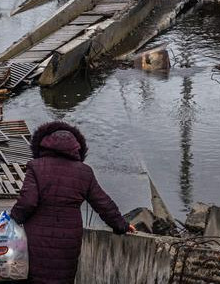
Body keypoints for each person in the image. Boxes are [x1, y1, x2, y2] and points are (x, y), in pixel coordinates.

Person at [10, 121, 134, 284]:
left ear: (43, 145)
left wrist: (12, 219)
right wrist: (122, 225)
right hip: (68, 240)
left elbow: (28, 202)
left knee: (34, 277)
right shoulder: (85, 172)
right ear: (77, 148)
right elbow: (103, 203)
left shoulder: (36, 167)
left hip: (36, 239)